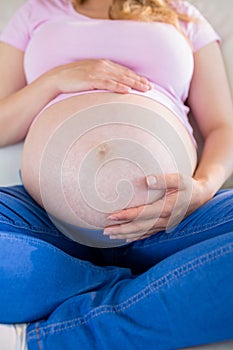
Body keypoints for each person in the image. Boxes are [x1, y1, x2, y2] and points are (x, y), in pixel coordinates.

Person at [0, 0, 233, 349]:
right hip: (46, 219)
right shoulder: (37, 12)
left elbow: (221, 127)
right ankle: (163, 281)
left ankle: (52, 339)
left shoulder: (182, 14)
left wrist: (202, 187)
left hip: (174, 219)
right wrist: (53, 80)